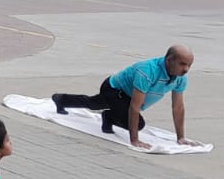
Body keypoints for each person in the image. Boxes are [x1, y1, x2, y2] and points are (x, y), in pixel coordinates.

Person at [52, 46, 200, 149]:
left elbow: (178, 107)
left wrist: (181, 137)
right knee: (96, 105)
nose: (186, 69)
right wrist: (134, 140)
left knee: (95, 103)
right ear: (169, 60)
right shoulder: (147, 71)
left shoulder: (180, 77)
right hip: (114, 89)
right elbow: (134, 107)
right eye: (182, 64)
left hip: (126, 95)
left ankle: (104, 115)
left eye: (189, 65)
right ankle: (63, 100)